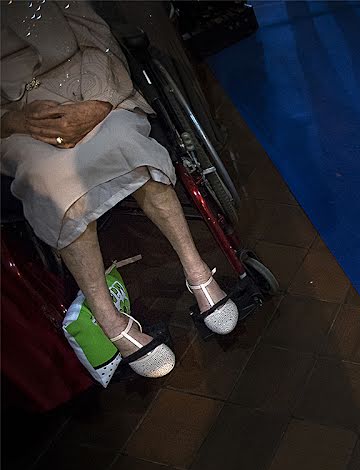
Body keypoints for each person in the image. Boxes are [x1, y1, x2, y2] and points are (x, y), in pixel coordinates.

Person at [1, 0, 237, 378]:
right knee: (52, 183)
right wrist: (15, 119)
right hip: (20, 123)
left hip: (89, 89)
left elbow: (96, 38)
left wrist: (97, 104)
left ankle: (197, 272)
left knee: (126, 142)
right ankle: (111, 322)